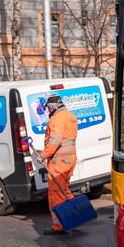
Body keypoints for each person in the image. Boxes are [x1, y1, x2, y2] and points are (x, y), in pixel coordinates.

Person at [37, 95, 78, 235]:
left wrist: (43, 155)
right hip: (69, 160)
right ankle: (75, 217)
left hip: (59, 162)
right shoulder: (69, 116)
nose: (47, 110)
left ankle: (60, 225)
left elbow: (55, 141)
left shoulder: (57, 119)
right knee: (64, 190)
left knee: (56, 193)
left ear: (53, 106)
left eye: (48, 107)